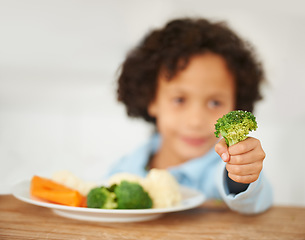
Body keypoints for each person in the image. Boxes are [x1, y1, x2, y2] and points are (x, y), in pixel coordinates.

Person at [106, 17, 272, 214]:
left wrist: (241, 174)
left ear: (235, 105)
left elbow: (253, 199)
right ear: (151, 99)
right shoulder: (125, 168)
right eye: (179, 100)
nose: (196, 121)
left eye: (214, 103)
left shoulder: (221, 169)